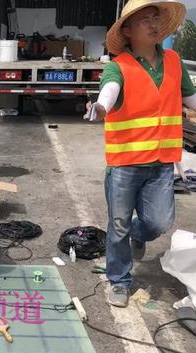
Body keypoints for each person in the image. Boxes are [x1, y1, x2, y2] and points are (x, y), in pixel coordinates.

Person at [86, 0, 196, 307]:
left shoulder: (173, 61)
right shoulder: (118, 66)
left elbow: (190, 98)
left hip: (161, 162)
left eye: (156, 19)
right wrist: (100, 107)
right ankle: (119, 280)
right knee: (118, 223)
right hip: (125, 164)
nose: (153, 24)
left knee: (158, 223)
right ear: (128, 30)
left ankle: (136, 234)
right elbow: (109, 92)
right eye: (145, 19)